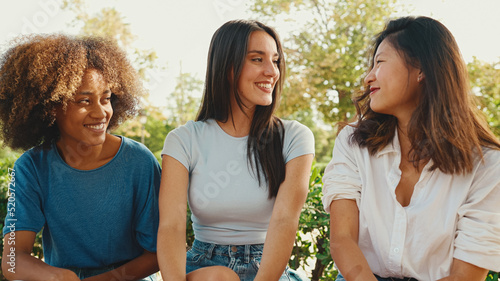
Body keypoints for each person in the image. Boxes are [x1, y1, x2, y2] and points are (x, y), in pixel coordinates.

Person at [322, 16, 500, 281]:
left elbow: (465, 276)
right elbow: (342, 239)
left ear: (421, 69)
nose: (368, 77)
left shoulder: (487, 165)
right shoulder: (352, 141)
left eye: (379, 62)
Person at [157, 19, 315, 281]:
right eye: (257, 59)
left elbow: (285, 221)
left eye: (275, 61)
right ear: (228, 67)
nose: (272, 71)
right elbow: (171, 227)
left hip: (270, 267)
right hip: (204, 267)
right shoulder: (184, 140)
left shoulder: (295, 137)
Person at [0, 34, 161, 281]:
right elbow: (12, 261)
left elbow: (157, 253)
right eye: (84, 101)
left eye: (106, 99)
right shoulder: (31, 168)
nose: (101, 112)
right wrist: (61, 278)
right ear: (50, 106)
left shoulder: (139, 162)